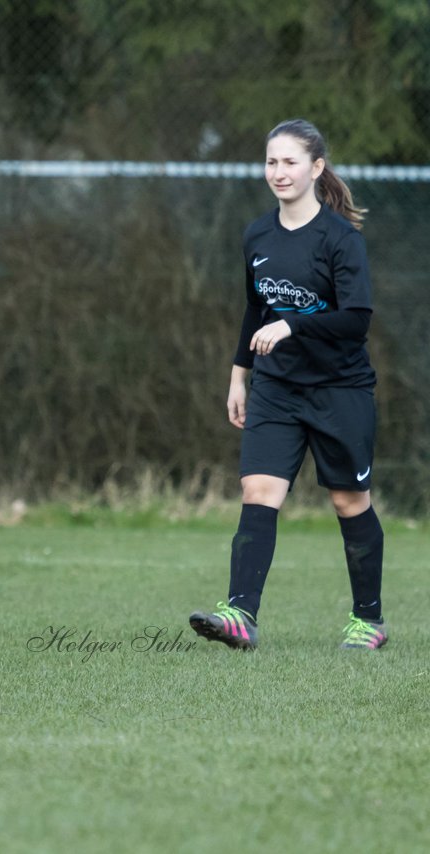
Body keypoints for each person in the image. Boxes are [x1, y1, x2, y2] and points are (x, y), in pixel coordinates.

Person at [189, 118, 387, 651]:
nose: (279, 171)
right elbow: (255, 310)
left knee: (349, 501)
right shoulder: (256, 234)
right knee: (258, 490)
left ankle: (369, 620)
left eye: (290, 162)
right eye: (272, 161)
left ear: (316, 168)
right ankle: (239, 616)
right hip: (276, 387)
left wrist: (293, 323)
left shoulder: (341, 240)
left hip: (339, 389)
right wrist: (239, 376)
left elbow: (356, 321)